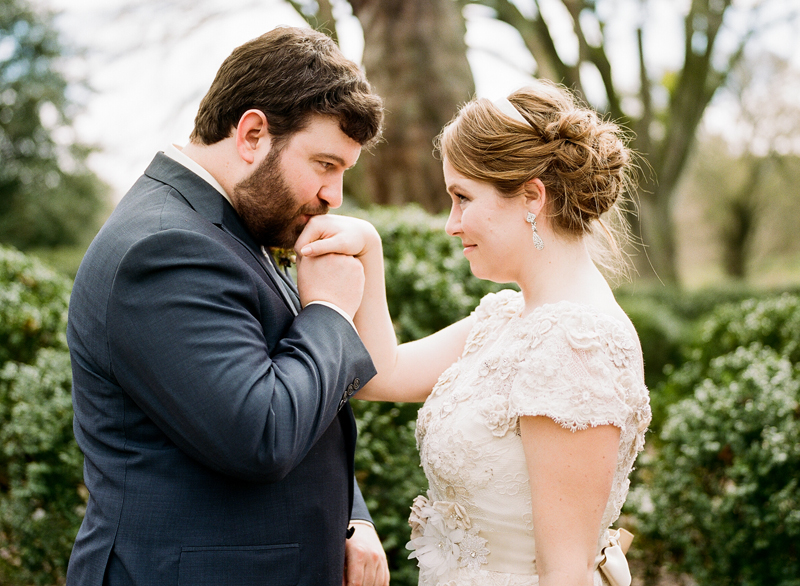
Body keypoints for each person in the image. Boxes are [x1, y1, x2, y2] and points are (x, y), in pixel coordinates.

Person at [66, 26, 390, 586]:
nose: (334, 196)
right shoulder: (164, 247)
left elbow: (291, 386)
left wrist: (350, 517)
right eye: (325, 164)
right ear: (252, 134)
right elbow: (260, 432)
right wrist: (331, 312)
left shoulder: (233, 228)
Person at [296, 80, 652, 586]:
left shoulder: (578, 342)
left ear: (532, 196)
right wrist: (369, 251)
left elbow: (564, 575)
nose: (451, 224)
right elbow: (380, 374)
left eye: (462, 198)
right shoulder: (507, 318)